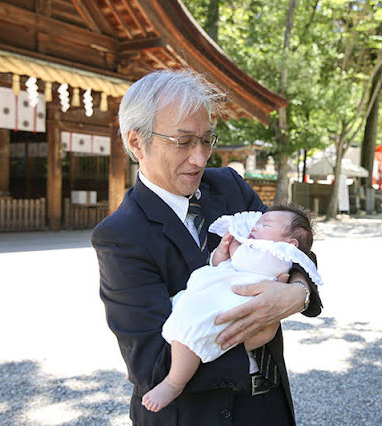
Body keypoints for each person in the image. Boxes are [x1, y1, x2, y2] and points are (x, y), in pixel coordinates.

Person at [91, 68, 322, 426]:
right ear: (137, 143)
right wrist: (256, 326)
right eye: (183, 142)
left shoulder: (229, 186)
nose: (200, 159)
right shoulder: (121, 235)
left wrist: (297, 292)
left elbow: (294, 248)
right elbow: (153, 364)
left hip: (269, 405)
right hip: (189, 416)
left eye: (206, 140)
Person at [142, 206, 322, 413]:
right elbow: (219, 265)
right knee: (177, 316)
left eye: (266, 225)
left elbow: (249, 262)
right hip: (215, 292)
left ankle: (174, 382)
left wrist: (299, 291)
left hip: (232, 301)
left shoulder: (278, 255)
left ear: (290, 244)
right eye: (259, 223)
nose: (256, 227)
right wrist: (221, 251)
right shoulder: (257, 244)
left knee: (193, 331)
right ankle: (148, 368)